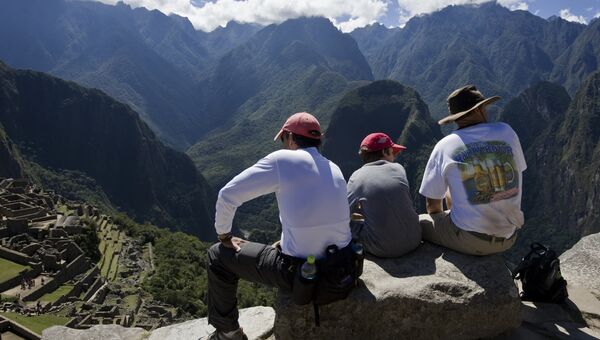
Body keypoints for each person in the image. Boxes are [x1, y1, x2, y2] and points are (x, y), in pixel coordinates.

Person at [207, 112, 352, 340]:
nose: (284, 144)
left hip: (300, 271)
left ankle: (228, 333)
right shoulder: (334, 167)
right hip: (342, 266)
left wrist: (225, 236)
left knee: (217, 256)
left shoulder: (281, 160)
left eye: (284, 139)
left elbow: (227, 195)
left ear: (291, 138)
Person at [418, 85, 527, 256]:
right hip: (509, 237)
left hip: (469, 241)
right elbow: (516, 174)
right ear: (480, 109)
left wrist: (451, 213)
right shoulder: (507, 132)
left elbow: (432, 207)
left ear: (455, 117)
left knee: (419, 222)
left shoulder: (444, 147)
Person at [347, 132, 421, 257]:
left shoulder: (357, 177)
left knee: (353, 224)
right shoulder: (399, 168)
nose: (395, 156)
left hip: (383, 249)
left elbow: (345, 213)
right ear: (384, 152)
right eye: (393, 152)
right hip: (415, 239)